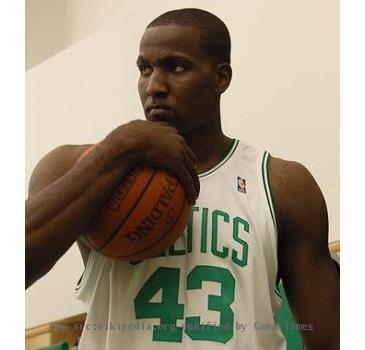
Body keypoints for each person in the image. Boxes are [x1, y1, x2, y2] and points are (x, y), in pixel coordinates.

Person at [25, 8, 339, 350]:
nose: (154, 86)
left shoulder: (282, 184)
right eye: (145, 69)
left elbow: (331, 339)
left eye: (176, 67)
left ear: (221, 78)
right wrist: (122, 146)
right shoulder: (77, 165)